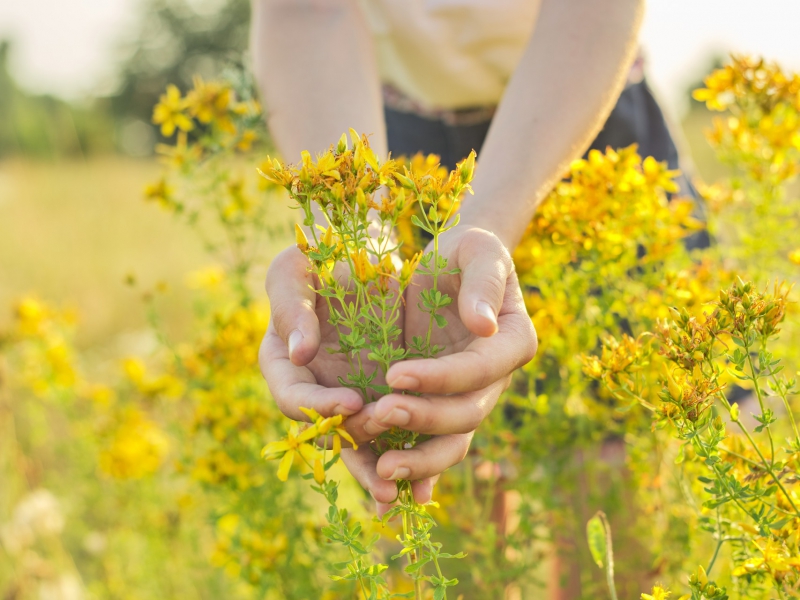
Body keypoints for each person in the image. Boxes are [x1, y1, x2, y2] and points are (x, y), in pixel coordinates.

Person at [252, 0, 650, 515]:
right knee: (429, 466)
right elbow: (307, 9)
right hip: (392, 123)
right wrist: (352, 245)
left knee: (604, 464)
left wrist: (484, 222)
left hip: (580, 108)